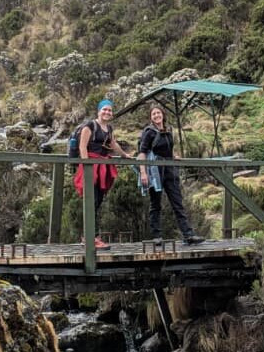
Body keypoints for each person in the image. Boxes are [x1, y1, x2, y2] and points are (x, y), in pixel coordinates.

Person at [138, 105, 205, 245]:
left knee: (177, 202)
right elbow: (142, 152)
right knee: (156, 203)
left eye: (158, 113)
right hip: (155, 171)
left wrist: (173, 156)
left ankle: (188, 235)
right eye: (154, 114)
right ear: (151, 117)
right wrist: (143, 173)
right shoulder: (149, 132)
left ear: (163, 114)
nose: (157, 115)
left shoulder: (168, 130)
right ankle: (156, 236)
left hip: (169, 170)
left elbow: (167, 149)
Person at [73, 99, 129, 250]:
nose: (107, 112)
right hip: (91, 167)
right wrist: (87, 168)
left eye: (109, 110)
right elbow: (82, 147)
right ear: (99, 111)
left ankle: (89, 236)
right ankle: (91, 238)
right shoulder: (90, 126)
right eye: (104, 109)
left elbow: (113, 144)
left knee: (97, 202)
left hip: (102, 167)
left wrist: (124, 155)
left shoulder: (109, 128)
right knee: (91, 201)